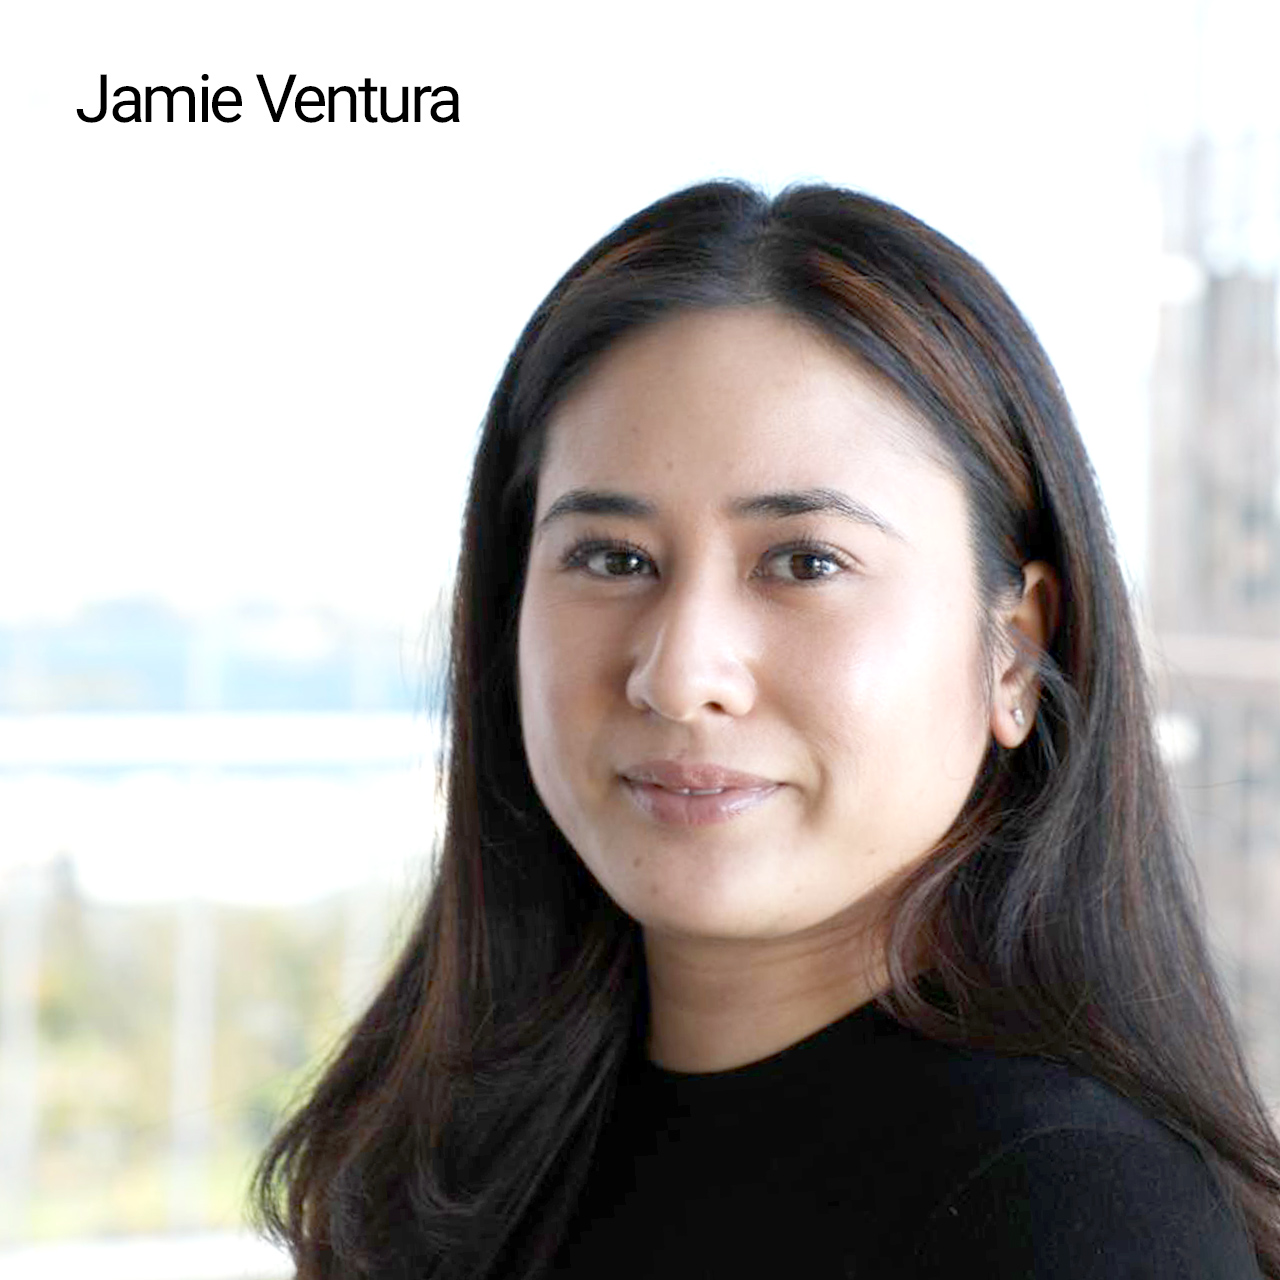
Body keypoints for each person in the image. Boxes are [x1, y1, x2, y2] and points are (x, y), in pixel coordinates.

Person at [254, 181, 1280, 1278]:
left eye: (804, 562)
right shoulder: (458, 1154)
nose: (678, 674)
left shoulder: (1071, 1216)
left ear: (1013, 652)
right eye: (612, 558)